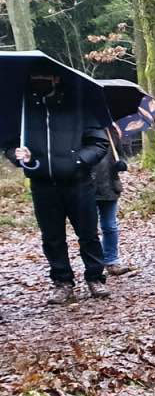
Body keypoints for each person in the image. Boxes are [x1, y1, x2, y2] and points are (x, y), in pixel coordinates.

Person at [2, 71, 111, 303]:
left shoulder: (78, 106)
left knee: (88, 234)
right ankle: (62, 282)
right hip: (42, 184)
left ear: (57, 79)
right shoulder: (24, 110)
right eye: (36, 77)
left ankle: (95, 278)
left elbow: (99, 143)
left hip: (78, 183)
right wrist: (17, 155)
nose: (40, 80)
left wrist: (77, 160)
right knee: (52, 237)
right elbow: (9, 145)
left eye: (46, 76)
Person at [91, 129, 135, 275]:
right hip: (86, 187)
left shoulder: (111, 131)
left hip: (109, 185)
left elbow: (123, 155)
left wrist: (122, 163)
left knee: (110, 226)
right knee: (89, 230)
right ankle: (94, 265)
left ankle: (111, 261)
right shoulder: (78, 130)